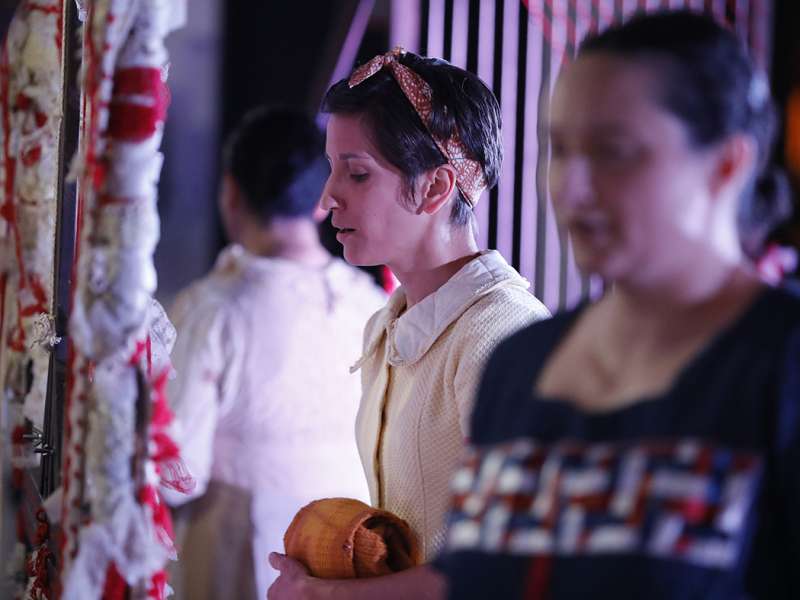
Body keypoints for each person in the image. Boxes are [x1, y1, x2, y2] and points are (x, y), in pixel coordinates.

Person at [434, 10, 799, 599]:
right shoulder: (519, 364)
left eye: (614, 151)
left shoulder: (780, 365)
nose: (572, 187)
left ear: (727, 165)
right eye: (559, 147)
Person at [268, 49, 550, 599]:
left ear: (436, 188)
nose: (327, 198)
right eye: (332, 170)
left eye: (356, 173)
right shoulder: (391, 324)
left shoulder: (501, 337)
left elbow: (512, 568)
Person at [163, 107, 386, 600]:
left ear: (231, 194)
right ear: (321, 203)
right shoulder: (372, 305)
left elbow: (178, 471)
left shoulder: (214, 308)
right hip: (348, 548)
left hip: (236, 537)